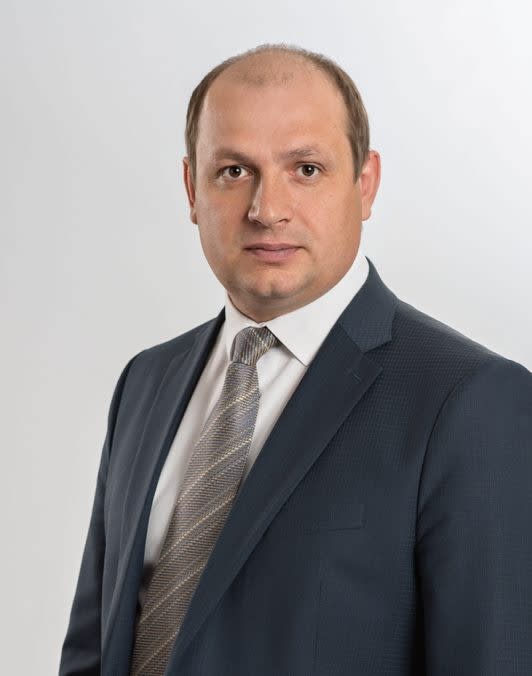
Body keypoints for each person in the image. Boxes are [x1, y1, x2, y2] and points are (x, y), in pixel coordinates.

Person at [59, 43, 532, 676]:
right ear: (191, 189)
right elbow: (94, 651)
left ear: (366, 184)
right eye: (234, 171)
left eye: (306, 169)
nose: (266, 209)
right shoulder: (146, 382)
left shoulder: (471, 400)